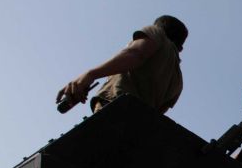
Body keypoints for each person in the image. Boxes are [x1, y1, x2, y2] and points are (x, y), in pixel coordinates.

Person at [56, 15, 188, 115]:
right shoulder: (178, 81)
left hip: (114, 108)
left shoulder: (157, 33)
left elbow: (135, 54)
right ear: (180, 48)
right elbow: (157, 114)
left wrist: (91, 74)